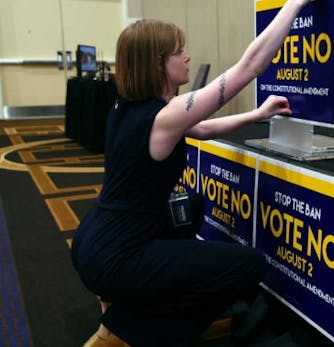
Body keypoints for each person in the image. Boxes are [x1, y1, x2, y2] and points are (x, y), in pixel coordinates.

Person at [70, 1, 316, 346]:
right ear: (157, 63)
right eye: (178, 52)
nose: (187, 57)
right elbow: (250, 66)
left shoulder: (130, 107)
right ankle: (124, 330)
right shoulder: (164, 116)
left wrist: (255, 114)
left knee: (193, 206)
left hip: (93, 241)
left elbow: (200, 129)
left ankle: (127, 296)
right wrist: (294, 4)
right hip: (116, 256)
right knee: (247, 266)